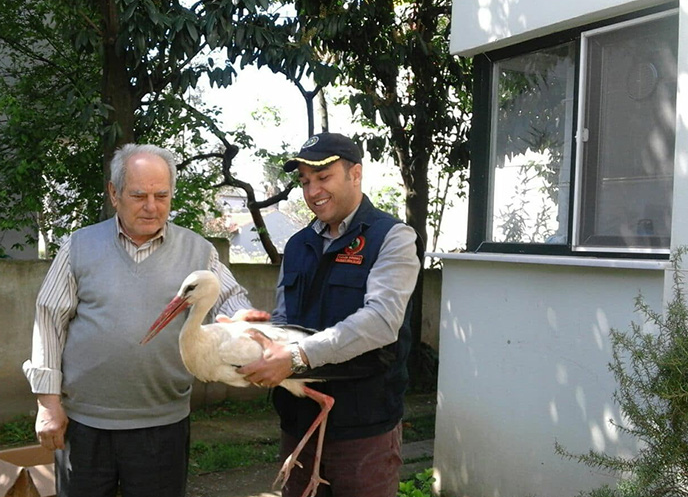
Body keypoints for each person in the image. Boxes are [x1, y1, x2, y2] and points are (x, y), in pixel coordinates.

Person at [22, 143, 267, 497]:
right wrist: (48, 405)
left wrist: (242, 322)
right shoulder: (79, 246)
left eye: (161, 195)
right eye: (139, 195)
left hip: (162, 425)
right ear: (114, 193)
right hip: (85, 425)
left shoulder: (198, 251)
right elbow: (48, 321)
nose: (152, 207)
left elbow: (230, 301)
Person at [239, 132, 421, 497]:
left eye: (323, 178)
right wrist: (254, 343)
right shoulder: (297, 244)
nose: (312, 191)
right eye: (305, 182)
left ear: (355, 174)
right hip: (298, 423)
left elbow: (382, 321)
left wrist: (297, 356)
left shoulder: (393, 238)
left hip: (363, 429)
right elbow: (283, 318)